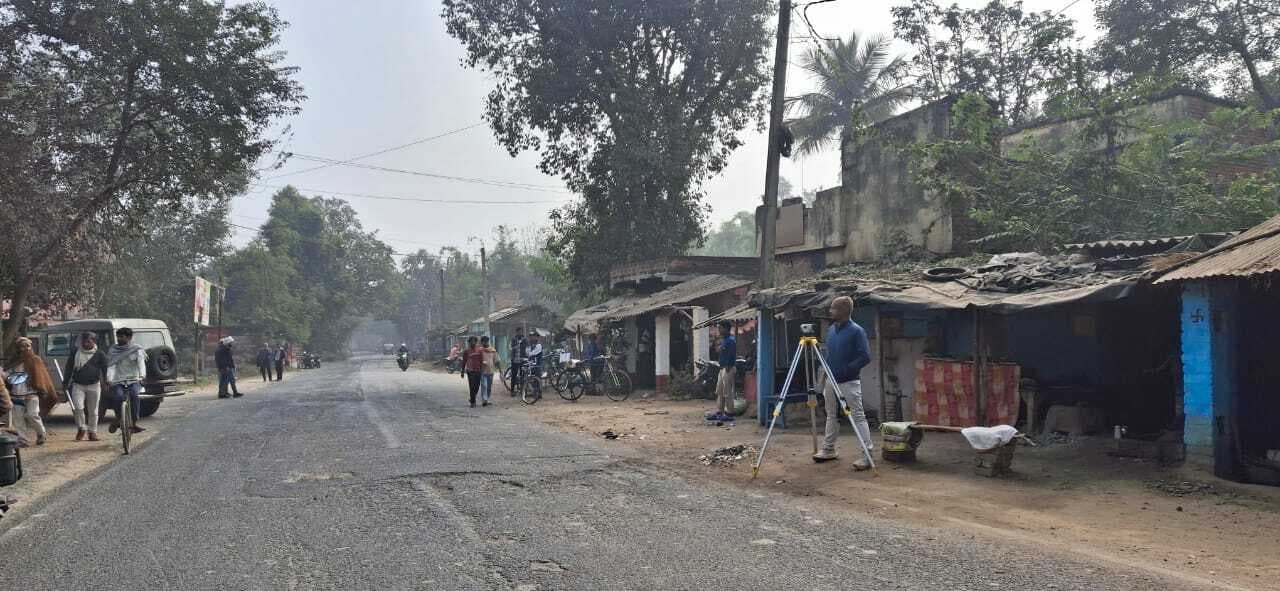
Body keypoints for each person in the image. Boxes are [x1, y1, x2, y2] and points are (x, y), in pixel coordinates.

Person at [815, 296, 874, 470]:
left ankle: (867, 455)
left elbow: (865, 357)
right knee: (831, 414)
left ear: (843, 310)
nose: (830, 311)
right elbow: (829, 355)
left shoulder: (857, 331)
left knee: (857, 416)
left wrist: (847, 370)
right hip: (831, 381)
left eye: (833, 308)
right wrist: (824, 376)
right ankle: (828, 449)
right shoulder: (832, 330)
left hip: (849, 381)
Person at [4, 337, 55, 445]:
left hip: (32, 393)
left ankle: (41, 434)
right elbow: (8, 376)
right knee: (18, 419)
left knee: (32, 415)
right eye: (23, 346)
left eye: (28, 346)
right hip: (16, 394)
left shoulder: (36, 359)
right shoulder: (13, 361)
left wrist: (41, 389)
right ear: (18, 348)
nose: (26, 348)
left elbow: (41, 377)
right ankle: (23, 439)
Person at [65, 332, 109, 441]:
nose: (85, 343)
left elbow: (105, 369)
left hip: (94, 385)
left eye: (88, 341)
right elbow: (69, 367)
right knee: (78, 408)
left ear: (94, 341)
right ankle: (81, 427)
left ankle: (92, 432)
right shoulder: (75, 352)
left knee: (93, 410)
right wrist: (65, 381)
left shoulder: (100, 354)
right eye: (84, 341)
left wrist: (106, 382)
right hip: (78, 385)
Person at [105, 327, 147, 435]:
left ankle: (133, 423)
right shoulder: (113, 350)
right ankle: (119, 419)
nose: (119, 339)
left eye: (121, 336)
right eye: (118, 336)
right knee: (118, 397)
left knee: (135, 395)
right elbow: (111, 366)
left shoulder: (137, 349)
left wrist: (142, 376)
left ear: (129, 337)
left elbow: (141, 364)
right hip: (118, 380)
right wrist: (109, 379)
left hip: (133, 380)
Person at [707, 321, 737, 422]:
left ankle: (729, 413)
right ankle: (719, 411)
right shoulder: (724, 340)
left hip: (728, 368)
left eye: (720, 328)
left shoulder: (730, 341)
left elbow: (731, 355)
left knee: (727, 392)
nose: (719, 330)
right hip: (722, 368)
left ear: (726, 329)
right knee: (719, 391)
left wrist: (727, 367)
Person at [462, 336, 483, 408]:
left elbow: (481, 360)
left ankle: (472, 398)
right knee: (472, 386)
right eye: (471, 341)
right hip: (470, 371)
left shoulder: (479, 350)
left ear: (476, 342)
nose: (473, 343)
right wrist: (462, 371)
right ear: (469, 342)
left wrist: (482, 369)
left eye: (474, 341)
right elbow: (464, 361)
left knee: (477, 386)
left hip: (478, 370)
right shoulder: (466, 351)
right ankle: (473, 402)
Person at [478, 336, 499, 407]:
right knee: (484, 385)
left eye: (486, 341)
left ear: (488, 341)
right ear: (481, 342)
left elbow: (497, 361)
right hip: (482, 371)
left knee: (489, 387)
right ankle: (484, 400)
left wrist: (500, 370)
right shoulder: (479, 350)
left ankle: (487, 398)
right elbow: (476, 360)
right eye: (483, 341)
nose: (485, 343)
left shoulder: (493, 350)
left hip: (491, 371)